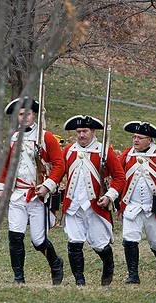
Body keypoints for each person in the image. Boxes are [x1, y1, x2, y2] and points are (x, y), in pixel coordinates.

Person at [0, 97, 65, 285]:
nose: (24, 116)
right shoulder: (13, 139)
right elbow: (6, 166)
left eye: (28, 113)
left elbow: (59, 165)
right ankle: (19, 278)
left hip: (38, 196)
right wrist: (1, 186)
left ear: (33, 114)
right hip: (18, 194)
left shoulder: (46, 137)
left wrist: (47, 185)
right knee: (15, 237)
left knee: (38, 242)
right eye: (20, 114)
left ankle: (56, 263)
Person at [61, 115, 126, 286]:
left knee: (100, 245)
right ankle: (79, 281)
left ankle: (108, 266)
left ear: (93, 132)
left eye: (85, 131)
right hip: (73, 206)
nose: (81, 135)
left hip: (95, 207)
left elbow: (120, 177)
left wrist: (109, 196)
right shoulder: (68, 151)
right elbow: (58, 172)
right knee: (74, 244)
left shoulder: (104, 151)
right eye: (79, 132)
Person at [118, 121, 156, 284]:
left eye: (140, 137)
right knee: (129, 240)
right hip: (132, 205)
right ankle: (133, 275)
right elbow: (118, 177)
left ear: (149, 139)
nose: (135, 140)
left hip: (154, 207)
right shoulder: (127, 155)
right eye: (134, 137)